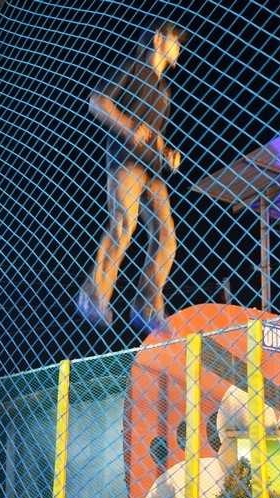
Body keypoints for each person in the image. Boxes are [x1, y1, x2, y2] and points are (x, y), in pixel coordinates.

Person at [76, 21, 187, 332]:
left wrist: (167, 154)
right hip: (126, 160)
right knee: (124, 223)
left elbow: (156, 133)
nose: (179, 48)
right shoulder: (133, 67)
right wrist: (127, 127)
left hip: (153, 169)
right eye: (175, 40)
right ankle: (92, 296)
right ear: (159, 38)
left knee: (166, 238)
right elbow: (97, 101)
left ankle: (145, 305)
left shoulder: (165, 89)